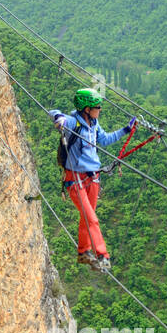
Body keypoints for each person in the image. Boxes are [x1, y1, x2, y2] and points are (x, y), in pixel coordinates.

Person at [49, 88, 136, 273]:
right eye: (97, 107)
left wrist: (126, 130)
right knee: (92, 219)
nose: (100, 109)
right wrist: (59, 117)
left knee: (87, 218)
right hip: (76, 180)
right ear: (86, 109)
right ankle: (102, 255)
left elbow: (104, 140)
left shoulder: (94, 124)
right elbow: (55, 114)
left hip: (93, 178)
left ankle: (83, 252)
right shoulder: (74, 123)